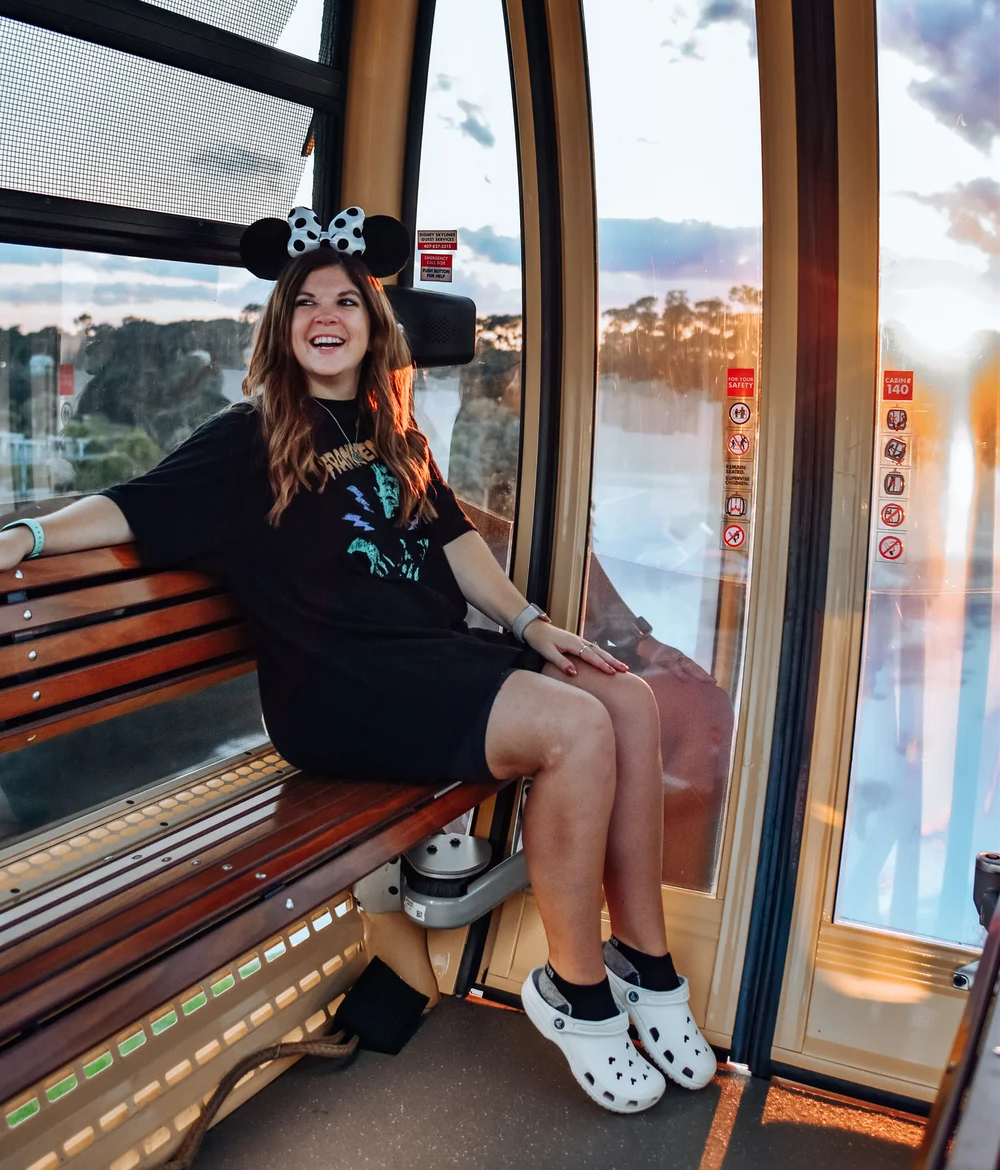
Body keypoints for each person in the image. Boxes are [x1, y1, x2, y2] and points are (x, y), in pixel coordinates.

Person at [0, 207, 715, 1115]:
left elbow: (457, 546)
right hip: (338, 690)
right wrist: (25, 533)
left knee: (630, 703)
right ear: (282, 325)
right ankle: (574, 991)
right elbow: (128, 507)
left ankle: (645, 964)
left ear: (375, 326)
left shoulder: (392, 431)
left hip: (421, 663)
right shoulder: (248, 438)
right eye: (306, 302)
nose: (326, 315)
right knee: (575, 727)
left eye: (347, 300)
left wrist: (534, 624)